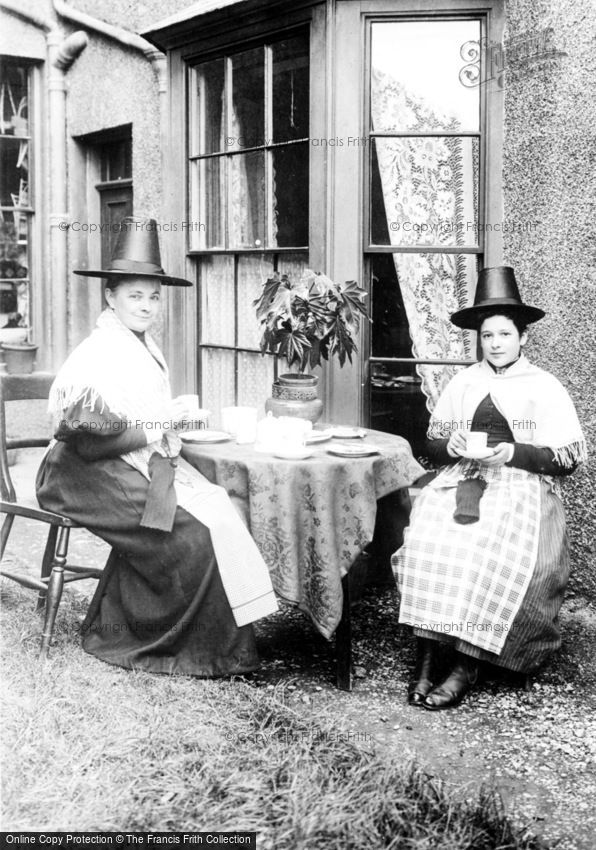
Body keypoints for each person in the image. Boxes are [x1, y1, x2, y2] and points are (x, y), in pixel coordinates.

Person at [36, 217, 278, 676]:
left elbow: (135, 423)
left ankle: (181, 634)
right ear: (110, 296)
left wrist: (170, 421)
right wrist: (161, 424)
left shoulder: (141, 342)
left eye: (153, 296)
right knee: (189, 528)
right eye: (135, 296)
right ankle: (177, 646)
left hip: (114, 462)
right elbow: (87, 441)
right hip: (78, 475)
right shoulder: (99, 353)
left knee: (220, 508)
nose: (147, 307)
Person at [392, 267, 586, 710]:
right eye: (486, 336)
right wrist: (451, 445)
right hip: (463, 481)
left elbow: (569, 458)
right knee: (428, 541)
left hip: (522, 490)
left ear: (523, 337)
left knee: (487, 551)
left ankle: (466, 663)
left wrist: (514, 453)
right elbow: (432, 446)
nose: (495, 343)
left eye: (504, 334)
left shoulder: (544, 387)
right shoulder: (464, 382)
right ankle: (427, 656)